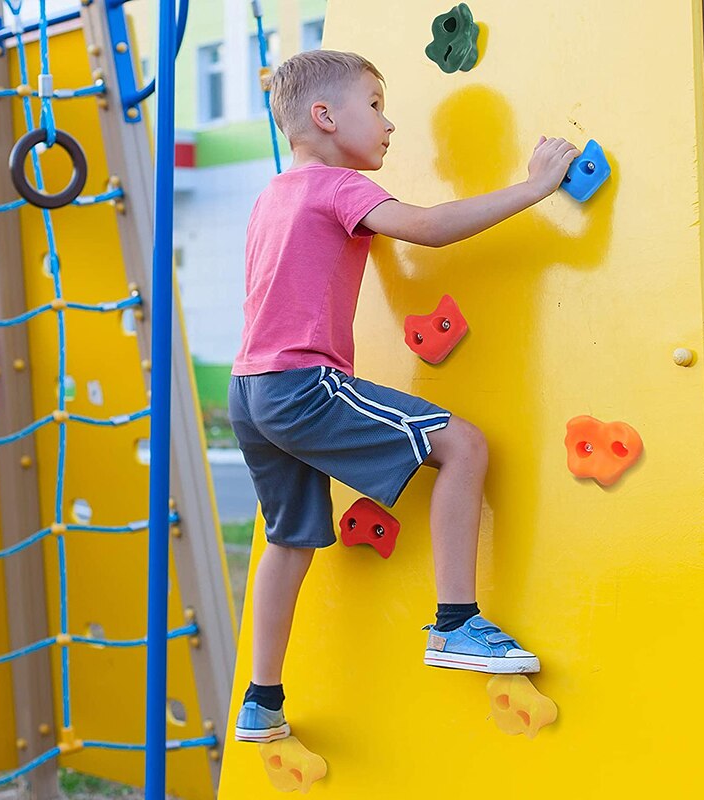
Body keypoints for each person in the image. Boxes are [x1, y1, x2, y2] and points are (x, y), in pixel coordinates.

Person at [229, 50, 580, 743]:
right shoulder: (336, 187)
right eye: (376, 105)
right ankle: (456, 623)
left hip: (251, 391)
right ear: (325, 117)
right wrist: (536, 187)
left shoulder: (275, 194)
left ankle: (261, 701)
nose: (390, 125)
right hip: (302, 384)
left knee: (290, 541)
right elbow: (428, 229)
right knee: (463, 444)